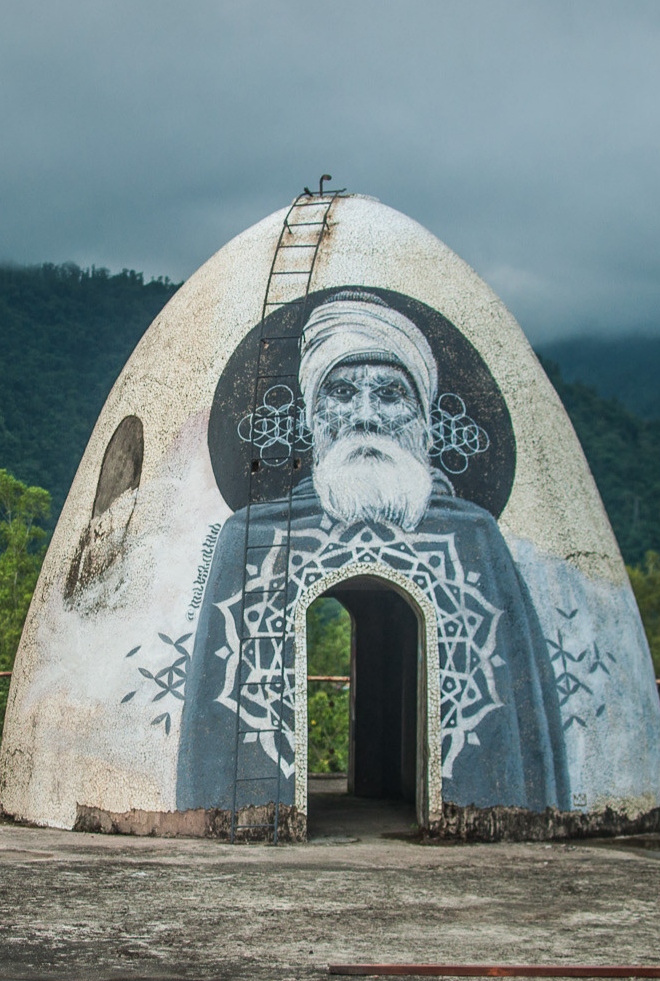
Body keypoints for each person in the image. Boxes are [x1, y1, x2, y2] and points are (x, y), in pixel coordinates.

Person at [176, 290, 569, 813]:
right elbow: (214, 721)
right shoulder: (251, 538)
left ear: (425, 420)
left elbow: (518, 722)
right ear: (311, 418)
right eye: (340, 392)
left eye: (389, 394)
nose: (365, 415)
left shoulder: (475, 539)